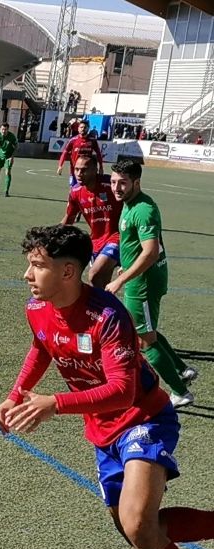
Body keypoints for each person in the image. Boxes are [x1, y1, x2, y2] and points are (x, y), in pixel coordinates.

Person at [0, 224, 214, 549]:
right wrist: (17, 394)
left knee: (138, 522)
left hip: (143, 418)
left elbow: (122, 390)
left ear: (69, 272)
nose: (27, 275)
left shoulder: (108, 316)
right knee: (137, 530)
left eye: (37, 265)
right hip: (102, 431)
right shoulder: (37, 309)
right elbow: (42, 347)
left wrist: (53, 404)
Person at [107, 159, 197, 408]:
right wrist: (127, 263)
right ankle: (182, 370)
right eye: (113, 182)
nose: (116, 188)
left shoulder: (143, 209)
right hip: (143, 277)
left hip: (143, 283)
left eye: (122, 183)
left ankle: (181, 393)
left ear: (136, 182)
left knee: (144, 341)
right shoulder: (130, 204)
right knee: (148, 330)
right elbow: (139, 248)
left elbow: (151, 251)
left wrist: (121, 280)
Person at [61, 155, 120, 288]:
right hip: (96, 241)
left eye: (84, 170)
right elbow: (69, 218)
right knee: (100, 285)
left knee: (94, 274)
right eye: (76, 169)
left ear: (95, 169)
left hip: (117, 238)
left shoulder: (111, 185)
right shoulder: (75, 192)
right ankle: (108, 308)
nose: (79, 174)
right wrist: (52, 235)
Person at [57, 120, 105, 187]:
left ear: (88, 128)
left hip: (87, 171)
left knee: (87, 189)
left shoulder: (92, 140)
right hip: (74, 171)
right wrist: (60, 165)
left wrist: (101, 167)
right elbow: (65, 152)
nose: (83, 129)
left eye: (85, 127)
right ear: (78, 129)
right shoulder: (73, 140)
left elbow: (98, 153)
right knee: (73, 189)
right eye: (81, 127)